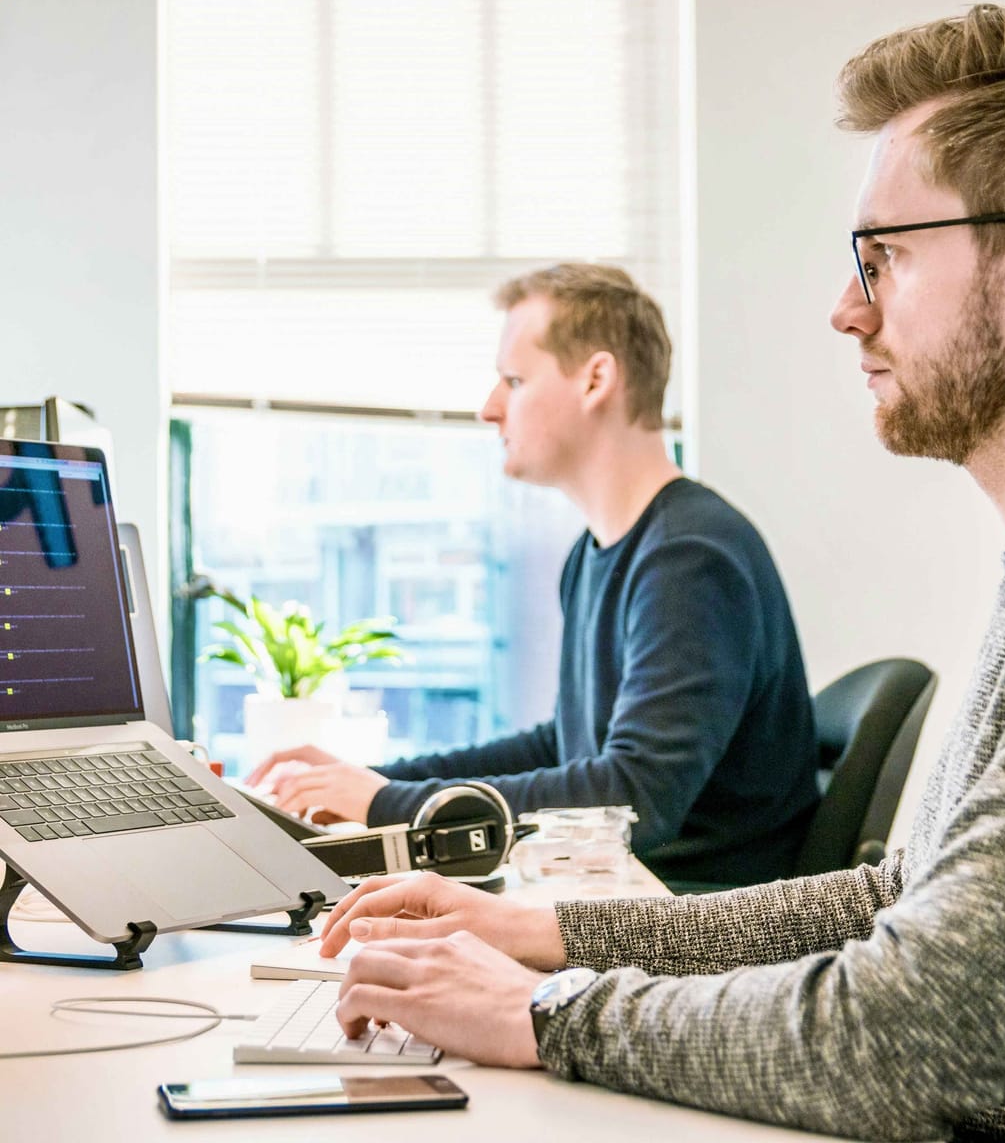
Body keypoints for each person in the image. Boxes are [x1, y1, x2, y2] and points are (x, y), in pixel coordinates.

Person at [312, 0, 1005, 1142]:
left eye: (883, 259)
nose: (846, 310)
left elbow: (903, 1034)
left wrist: (544, 1012)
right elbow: (898, 905)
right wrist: (546, 935)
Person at [249, 262, 819, 889]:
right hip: (625, 893)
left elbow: (634, 799)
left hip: (691, 918)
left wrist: (387, 805)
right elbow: (565, 747)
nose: (489, 409)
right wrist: (378, 782)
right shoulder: (598, 553)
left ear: (596, 379)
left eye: (514, 380)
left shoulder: (691, 558)